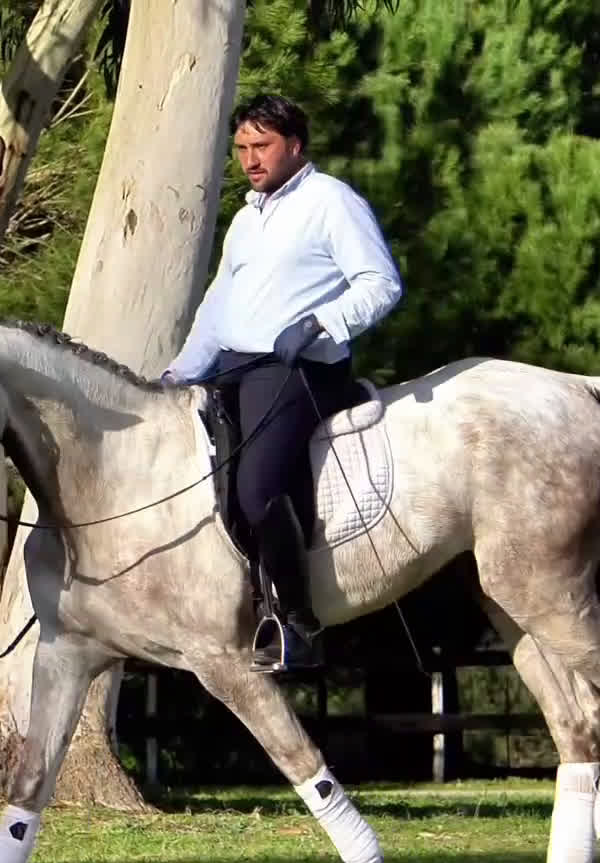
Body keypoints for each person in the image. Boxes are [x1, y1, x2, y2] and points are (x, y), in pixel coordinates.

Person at [163, 93, 403, 673]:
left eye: (262, 146)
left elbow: (381, 283)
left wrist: (323, 322)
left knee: (257, 486)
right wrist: (178, 373)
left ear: (295, 145)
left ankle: (296, 621)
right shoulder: (246, 219)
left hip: (302, 368)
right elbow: (217, 307)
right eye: (242, 148)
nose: (250, 159)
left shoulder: (332, 202)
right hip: (234, 369)